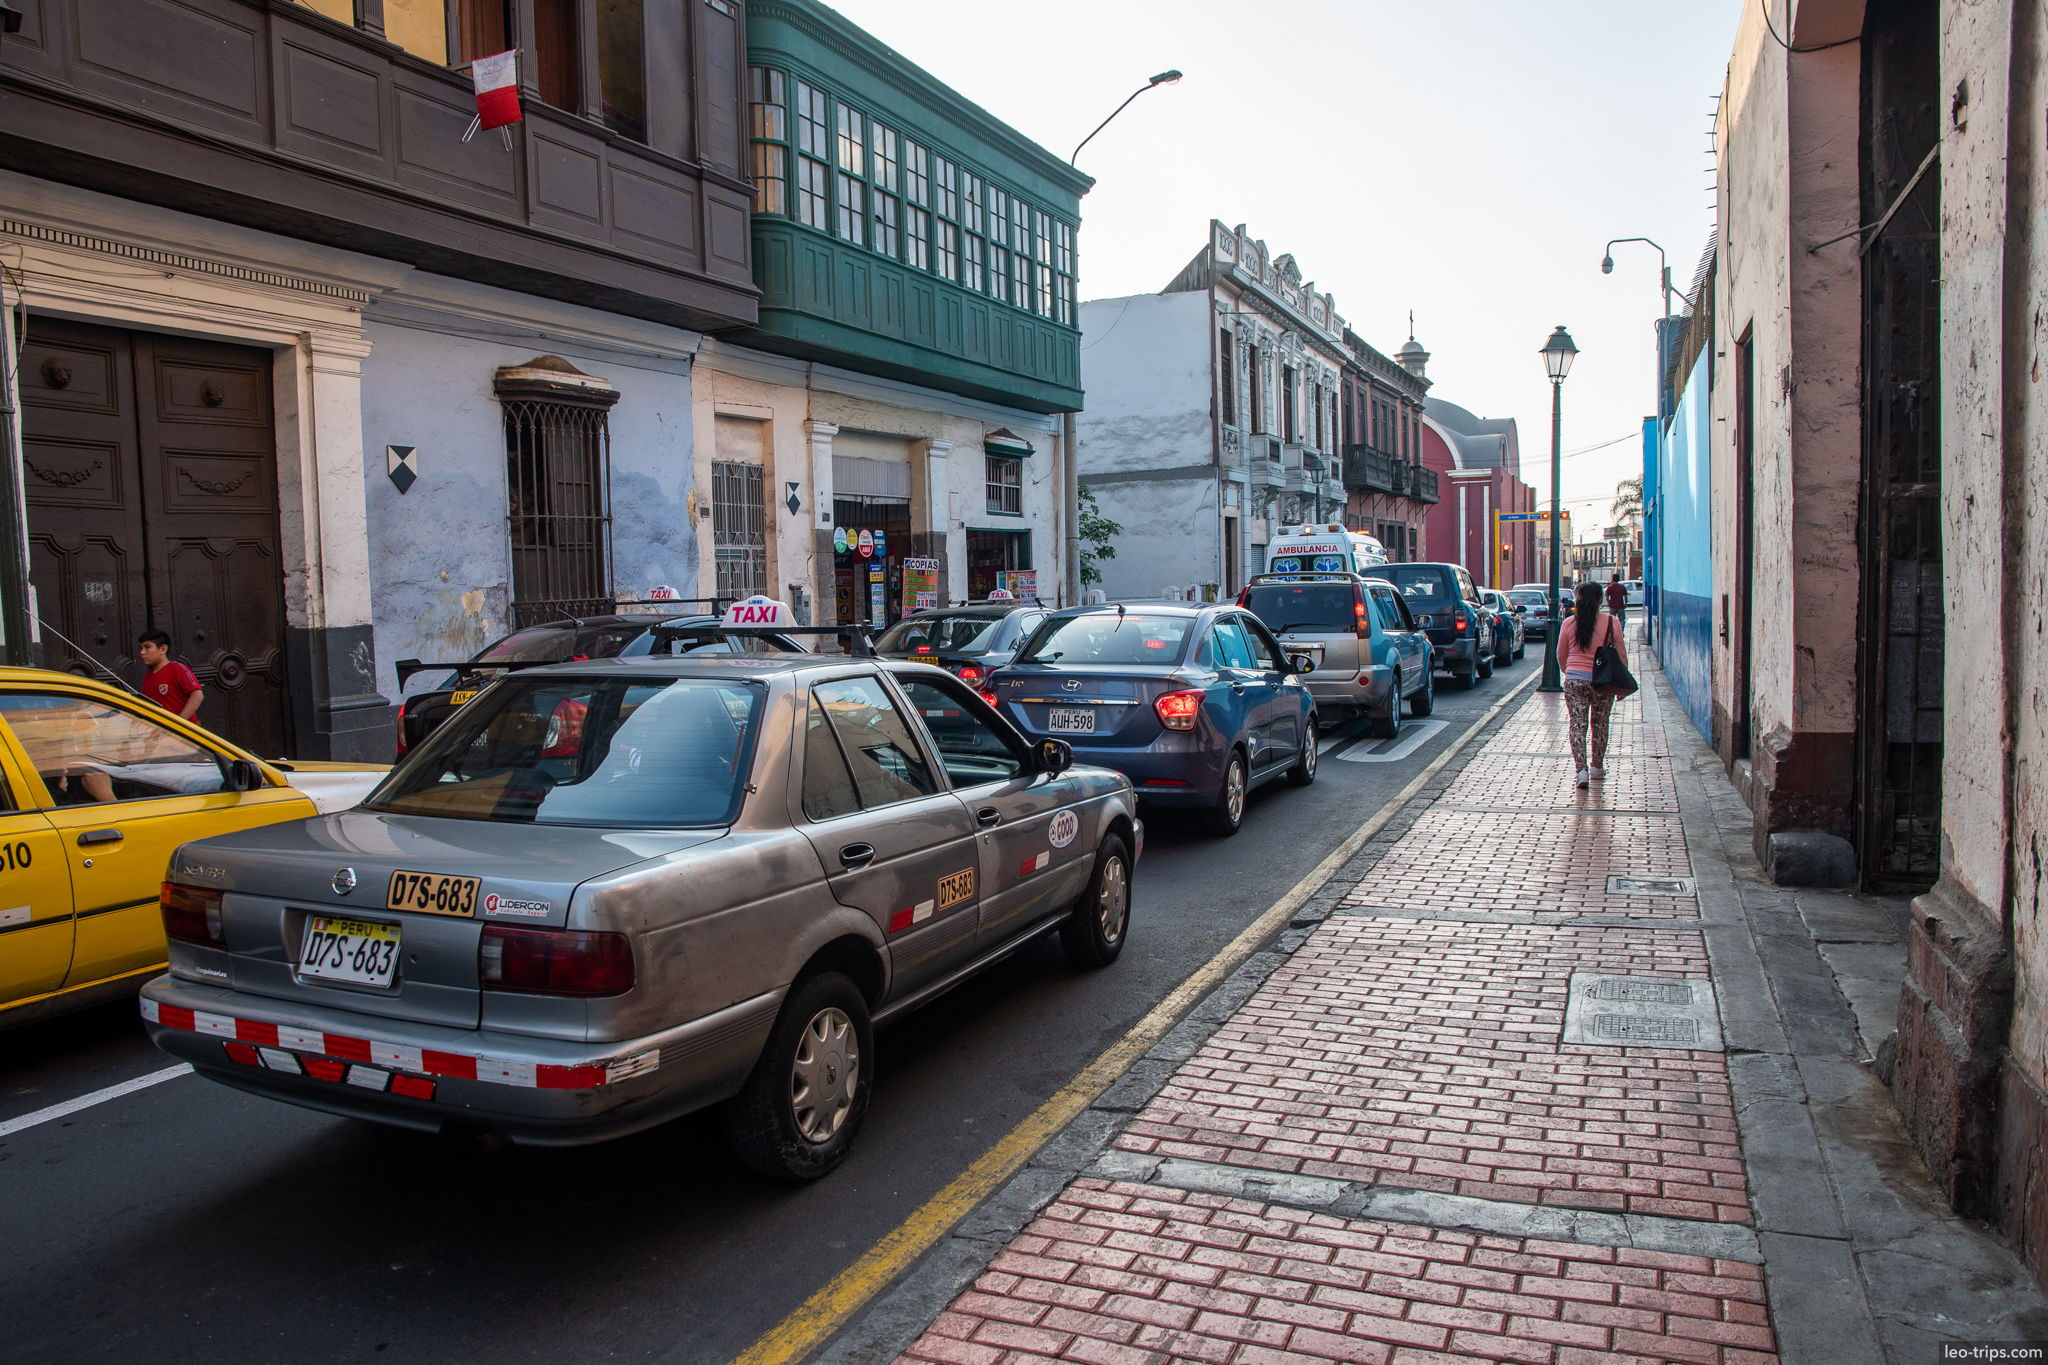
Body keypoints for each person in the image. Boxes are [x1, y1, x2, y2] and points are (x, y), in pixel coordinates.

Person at [1557, 582, 1626, 789]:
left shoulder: (1569, 623)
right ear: (1601, 600)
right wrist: (1621, 683)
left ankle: (1581, 771)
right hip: (1602, 682)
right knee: (1600, 723)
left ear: (1577, 599)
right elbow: (1621, 655)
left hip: (1575, 680)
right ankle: (1597, 766)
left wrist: (1569, 672)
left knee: (1577, 724)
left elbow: (1561, 654)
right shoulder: (1612, 622)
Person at [137, 630, 204, 720]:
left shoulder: (177, 668)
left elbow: (197, 695)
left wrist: (180, 721)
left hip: (179, 728)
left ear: (163, 649)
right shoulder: (147, 676)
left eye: (147, 647)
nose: (142, 652)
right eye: (141, 648)